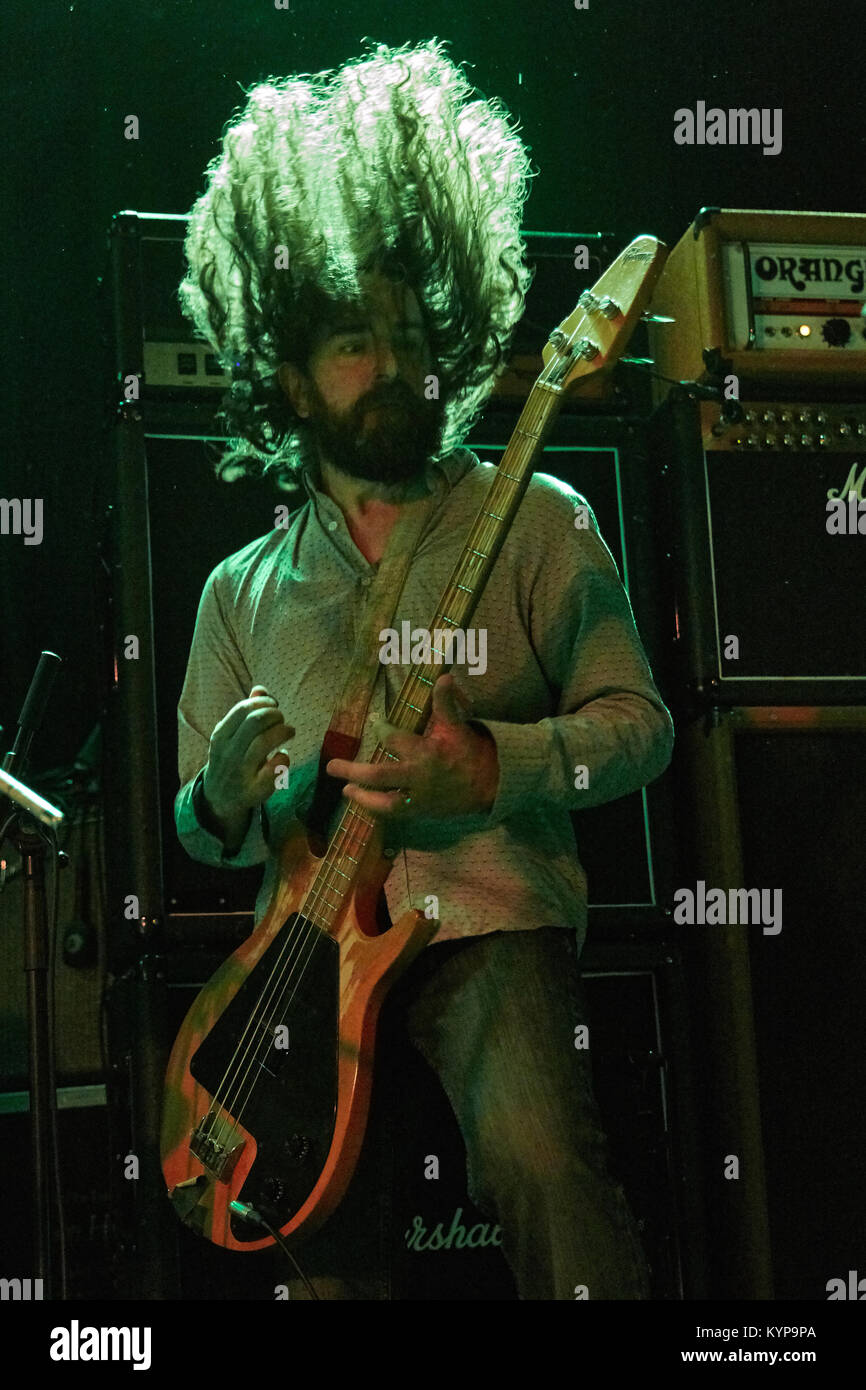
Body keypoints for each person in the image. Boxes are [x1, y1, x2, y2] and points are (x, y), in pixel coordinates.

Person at [174, 38, 674, 1299]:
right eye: (352, 342)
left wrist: (497, 766)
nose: (390, 367)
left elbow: (642, 723)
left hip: (485, 922)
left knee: (542, 1162)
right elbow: (206, 830)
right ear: (287, 372)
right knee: (306, 1237)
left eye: (410, 337)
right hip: (300, 954)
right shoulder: (238, 590)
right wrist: (224, 797)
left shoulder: (540, 516)